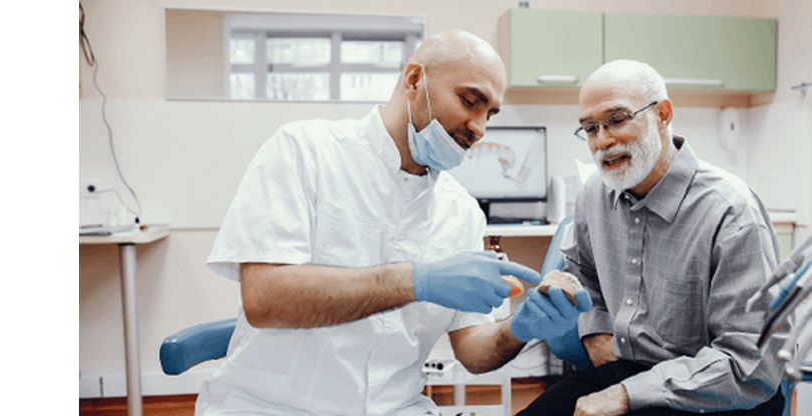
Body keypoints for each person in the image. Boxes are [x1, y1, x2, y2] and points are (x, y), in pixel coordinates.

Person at [196, 30, 592, 415]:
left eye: (489, 114)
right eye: (470, 101)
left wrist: (520, 328)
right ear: (415, 80)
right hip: (273, 406)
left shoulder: (461, 212)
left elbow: (472, 351)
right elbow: (265, 298)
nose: (479, 128)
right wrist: (417, 280)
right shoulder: (305, 152)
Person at [517, 60, 790, 416]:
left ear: (663, 114)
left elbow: (752, 363)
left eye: (617, 120)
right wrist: (595, 332)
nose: (603, 141)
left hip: (718, 390)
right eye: (590, 128)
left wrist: (628, 395)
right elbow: (581, 272)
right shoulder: (595, 194)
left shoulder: (731, 211)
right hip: (628, 370)